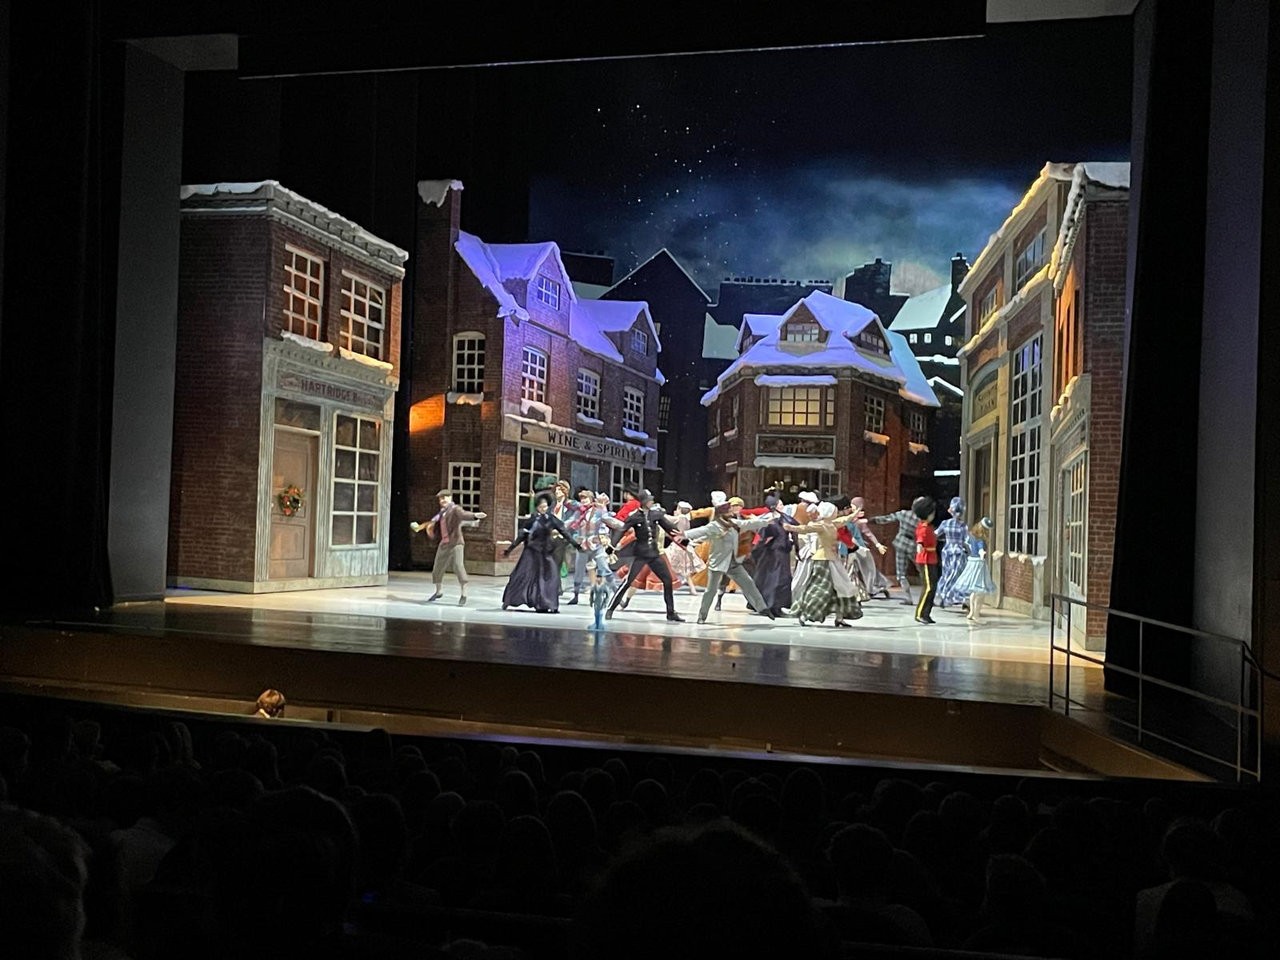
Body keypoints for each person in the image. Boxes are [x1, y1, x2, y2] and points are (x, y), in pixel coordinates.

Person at [683, 500, 775, 624]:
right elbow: (701, 531)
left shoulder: (733, 523)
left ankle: (762, 608)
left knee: (748, 583)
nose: (731, 512)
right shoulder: (715, 526)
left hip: (733, 563)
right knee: (711, 591)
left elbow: (748, 523)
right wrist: (684, 534)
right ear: (722, 513)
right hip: (718, 563)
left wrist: (766, 522)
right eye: (729, 511)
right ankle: (702, 616)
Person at [605, 490, 687, 622]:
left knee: (667, 581)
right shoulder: (634, 516)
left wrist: (684, 541)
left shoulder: (656, 514)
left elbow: (670, 528)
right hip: (641, 554)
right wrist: (611, 546)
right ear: (643, 502)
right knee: (628, 581)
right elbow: (621, 530)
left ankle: (670, 612)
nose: (651, 501)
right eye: (649, 500)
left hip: (654, 554)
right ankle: (610, 609)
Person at [502, 492, 585, 613]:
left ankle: (547, 604)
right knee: (522, 575)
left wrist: (576, 545)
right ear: (537, 507)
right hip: (531, 552)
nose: (543, 509)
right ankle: (510, 600)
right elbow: (521, 536)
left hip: (545, 552)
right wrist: (510, 549)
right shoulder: (532, 520)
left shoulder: (551, 519)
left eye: (545, 506)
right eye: (541, 507)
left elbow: (564, 532)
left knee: (550, 577)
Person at [784, 501, 862, 628]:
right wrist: (791, 528)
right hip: (822, 561)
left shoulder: (833, 524)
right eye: (834, 511)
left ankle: (839, 617)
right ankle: (806, 614)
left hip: (833, 560)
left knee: (842, 588)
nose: (836, 513)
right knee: (821, 589)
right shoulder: (821, 525)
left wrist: (856, 512)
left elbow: (846, 519)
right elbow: (805, 529)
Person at [412, 489, 488, 606]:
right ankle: (438, 591)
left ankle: (464, 594)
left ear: (450, 498)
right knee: (437, 567)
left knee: (458, 566)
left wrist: (474, 515)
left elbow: (463, 514)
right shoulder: (441, 513)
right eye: (440, 498)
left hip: (456, 543)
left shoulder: (455, 509)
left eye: (445, 498)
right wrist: (426, 528)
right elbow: (433, 523)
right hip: (444, 543)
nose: (442, 500)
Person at [568, 490, 620, 604]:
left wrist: (625, 526)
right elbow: (570, 522)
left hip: (596, 544)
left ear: (591, 499)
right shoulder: (579, 513)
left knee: (604, 568)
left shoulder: (598, 511)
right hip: (582, 545)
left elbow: (610, 521)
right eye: (582, 499)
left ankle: (617, 594)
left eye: (586, 498)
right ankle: (575, 595)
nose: (583, 501)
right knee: (579, 570)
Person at [750, 493, 794, 617]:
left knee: (783, 579)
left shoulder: (784, 518)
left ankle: (776, 605)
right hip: (774, 554)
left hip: (783, 552)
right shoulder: (769, 520)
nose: (782, 506)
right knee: (775, 580)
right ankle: (772, 606)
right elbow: (764, 537)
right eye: (780, 504)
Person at [869, 504, 922, 604]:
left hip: (901, 543)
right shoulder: (921, 520)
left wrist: (874, 520)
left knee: (901, 573)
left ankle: (908, 598)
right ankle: (927, 595)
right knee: (922, 570)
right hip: (914, 546)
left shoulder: (904, 514)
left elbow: (888, 518)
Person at [953, 517, 996, 623]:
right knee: (980, 592)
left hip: (971, 562)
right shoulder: (980, 539)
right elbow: (981, 549)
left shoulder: (971, 535)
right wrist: (982, 553)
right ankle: (976, 615)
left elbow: (967, 545)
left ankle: (972, 613)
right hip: (978, 564)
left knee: (974, 591)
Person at [850, 496, 891, 598]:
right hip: (850, 546)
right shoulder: (849, 520)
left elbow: (869, 534)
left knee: (867, 567)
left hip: (859, 547)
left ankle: (872, 587)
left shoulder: (859, 522)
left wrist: (878, 544)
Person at [662, 501, 706, 595]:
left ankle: (670, 585)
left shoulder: (679, 518)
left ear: (679, 509)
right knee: (685, 571)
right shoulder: (687, 520)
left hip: (677, 546)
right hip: (685, 546)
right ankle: (692, 589)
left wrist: (660, 513)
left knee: (667, 564)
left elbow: (666, 519)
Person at [935, 496, 970, 608]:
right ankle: (957, 597)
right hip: (959, 552)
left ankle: (945, 595)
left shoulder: (945, 523)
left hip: (947, 551)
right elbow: (967, 540)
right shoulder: (963, 526)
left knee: (947, 574)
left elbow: (935, 534)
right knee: (957, 575)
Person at [912, 496, 939, 625]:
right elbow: (920, 541)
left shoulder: (929, 527)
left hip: (931, 558)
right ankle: (920, 613)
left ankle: (926, 613)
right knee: (928, 587)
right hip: (925, 559)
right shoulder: (923, 528)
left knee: (933, 587)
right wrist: (920, 546)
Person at [586, 558, 612, 632]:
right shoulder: (594, 586)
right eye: (597, 577)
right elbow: (592, 594)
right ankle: (596, 623)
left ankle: (599, 623)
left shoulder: (604, 587)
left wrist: (605, 602)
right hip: (596, 601)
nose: (598, 579)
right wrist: (591, 601)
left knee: (600, 613)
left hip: (601, 600)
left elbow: (607, 595)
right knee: (596, 613)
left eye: (600, 577)